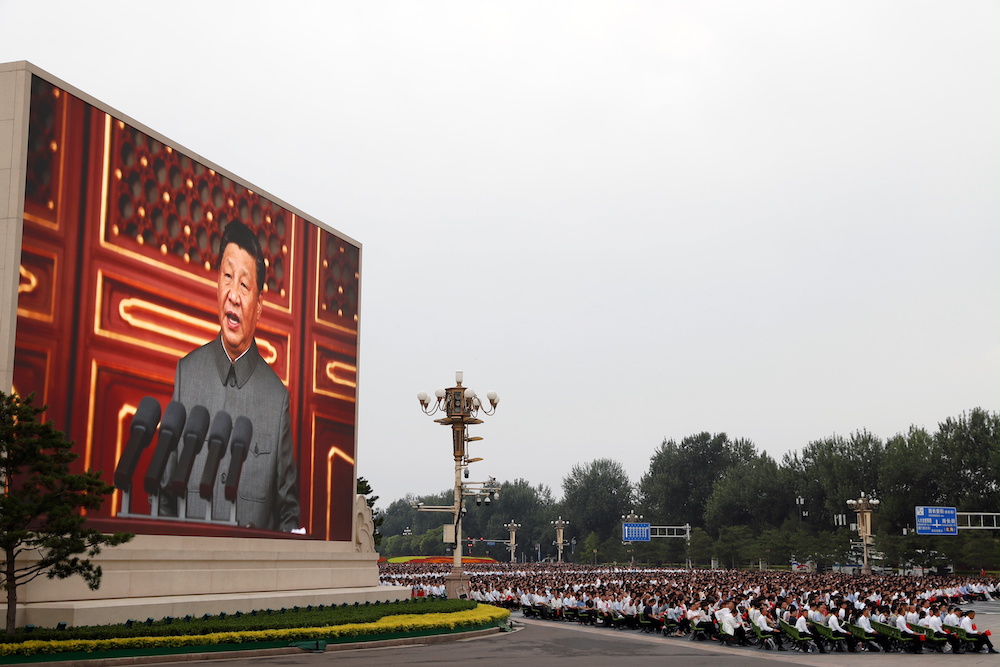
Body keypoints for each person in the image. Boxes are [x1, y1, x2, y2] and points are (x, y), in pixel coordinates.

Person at [162, 220, 300, 532]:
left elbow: (287, 513)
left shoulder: (277, 399)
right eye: (227, 277)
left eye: (244, 285)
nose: (233, 295)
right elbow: (164, 491)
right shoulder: (187, 373)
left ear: (259, 306)